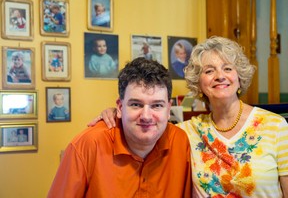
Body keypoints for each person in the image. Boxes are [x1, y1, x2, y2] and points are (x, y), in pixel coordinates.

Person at [90, 36, 288, 197]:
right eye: (209, 71)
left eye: (228, 68)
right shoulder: (186, 131)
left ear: (240, 77)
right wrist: (115, 113)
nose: (220, 76)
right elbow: (147, 122)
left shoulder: (276, 126)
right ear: (198, 83)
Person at [48, 57, 192, 197]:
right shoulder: (88, 145)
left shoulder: (180, 141)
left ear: (168, 109)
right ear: (120, 106)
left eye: (157, 105)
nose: (146, 116)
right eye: (136, 104)